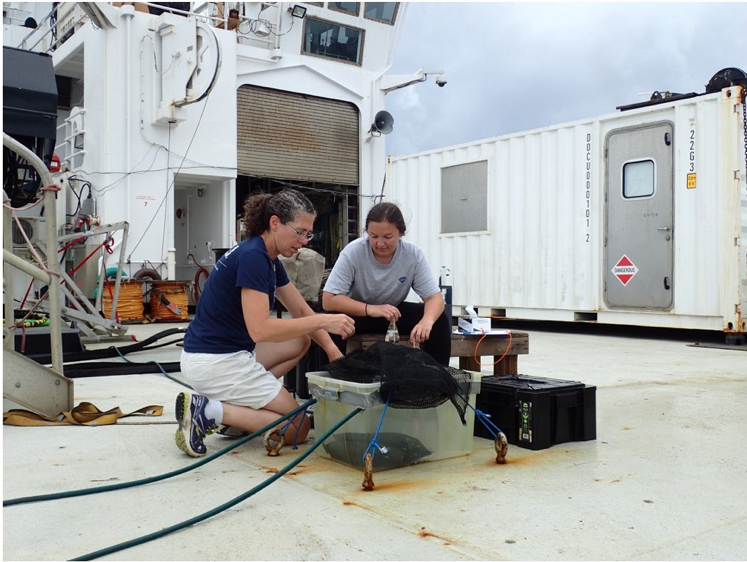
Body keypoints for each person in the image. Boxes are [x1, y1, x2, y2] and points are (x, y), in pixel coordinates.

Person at [176, 189, 355, 457]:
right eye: (300, 232)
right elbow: (260, 329)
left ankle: (238, 416)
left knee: (300, 340)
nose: (304, 241)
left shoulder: (266, 257)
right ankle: (210, 412)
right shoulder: (254, 258)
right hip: (217, 363)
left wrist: (333, 352)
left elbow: (300, 309)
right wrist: (325, 319)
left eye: (309, 234)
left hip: (216, 355)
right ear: (275, 223)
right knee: (299, 427)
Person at [322, 202, 451, 365]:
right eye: (373, 236)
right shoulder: (353, 252)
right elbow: (329, 299)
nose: (380, 243)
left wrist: (427, 321)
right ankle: (331, 378)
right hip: (358, 313)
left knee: (439, 320)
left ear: (401, 233)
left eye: (388, 237)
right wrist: (371, 309)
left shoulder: (413, 254)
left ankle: (438, 379)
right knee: (330, 322)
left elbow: (434, 298)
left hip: (392, 313)